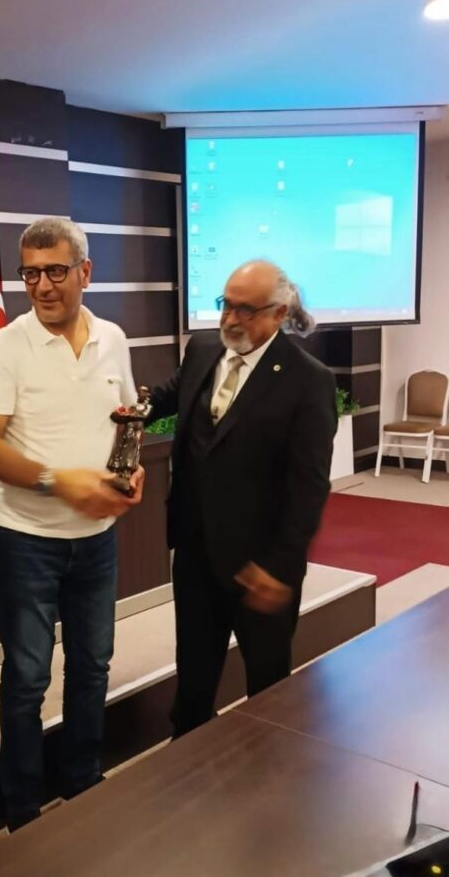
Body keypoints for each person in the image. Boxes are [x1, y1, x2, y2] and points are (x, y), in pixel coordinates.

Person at [0, 217, 144, 832]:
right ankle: (22, 811)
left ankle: (82, 782)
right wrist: (57, 480)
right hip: (27, 541)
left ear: (85, 272)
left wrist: (131, 470)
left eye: (56, 271)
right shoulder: (4, 346)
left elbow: (126, 420)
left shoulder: (113, 339)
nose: (42, 286)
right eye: (31, 273)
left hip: (96, 542)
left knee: (93, 666)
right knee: (27, 679)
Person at [147, 259, 336, 737]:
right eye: (225, 305)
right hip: (195, 554)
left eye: (245, 310)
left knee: (267, 688)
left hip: (260, 567)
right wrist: (126, 409)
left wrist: (280, 565)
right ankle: (186, 760)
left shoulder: (308, 380)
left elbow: (309, 486)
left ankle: (265, 771)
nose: (230, 319)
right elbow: (167, 396)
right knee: (193, 680)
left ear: (279, 313)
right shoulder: (203, 348)